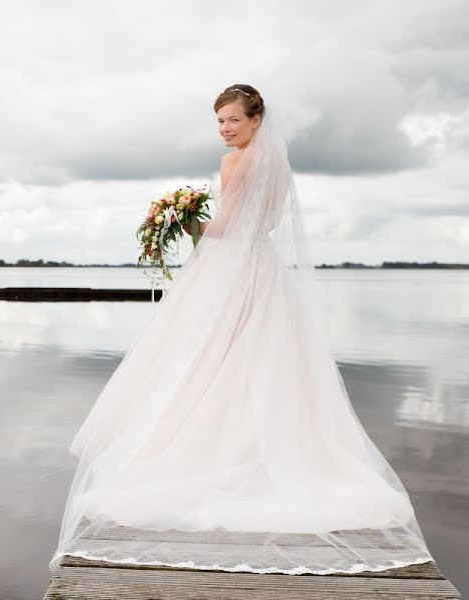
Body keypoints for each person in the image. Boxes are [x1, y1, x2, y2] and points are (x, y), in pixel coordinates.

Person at [49, 84, 435, 575]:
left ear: (256, 120)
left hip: (233, 268)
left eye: (233, 119)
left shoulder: (235, 163)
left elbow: (230, 224)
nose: (226, 129)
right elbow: (265, 224)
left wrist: (185, 222)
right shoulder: (279, 162)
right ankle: (266, 448)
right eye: (220, 122)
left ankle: (213, 450)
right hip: (266, 269)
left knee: (206, 356)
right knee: (262, 360)